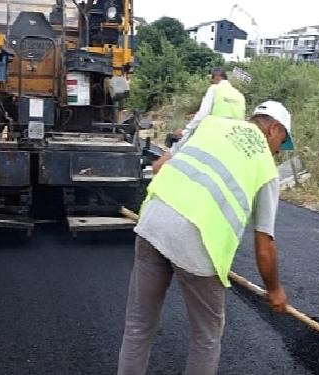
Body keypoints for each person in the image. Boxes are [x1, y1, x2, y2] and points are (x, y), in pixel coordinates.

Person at [117, 100, 294, 375]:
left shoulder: (213, 124)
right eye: (281, 142)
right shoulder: (266, 170)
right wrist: (274, 290)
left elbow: (161, 167)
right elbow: (264, 246)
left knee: (139, 324)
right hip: (197, 242)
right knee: (207, 337)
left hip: (153, 222)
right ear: (273, 129)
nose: (278, 151)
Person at [172, 67, 246, 140]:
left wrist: (186, 131)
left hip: (217, 133)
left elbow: (202, 114)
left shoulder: (214, 89)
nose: (211, 82)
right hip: (234, 137)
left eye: (212, 80)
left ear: (217, 78)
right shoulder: (240, 95)